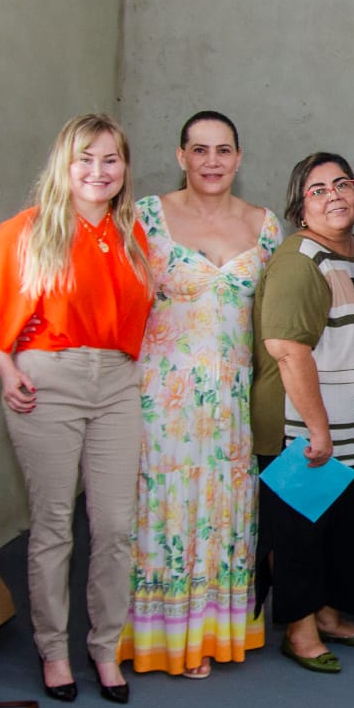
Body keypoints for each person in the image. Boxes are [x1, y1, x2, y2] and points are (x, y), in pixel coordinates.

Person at [0, 113, 152, 705]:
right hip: (49, 381)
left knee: (116, 526)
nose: (98, 172)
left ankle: (104, 648)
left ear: (124, 168)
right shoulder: (26, 230)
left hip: (119, 384)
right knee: (53, 525)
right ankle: (54, 651)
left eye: (111, 160)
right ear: (65, 166)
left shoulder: (132, 234)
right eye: (86, 159)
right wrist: (7, 374)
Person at [120, 110, 281, 679]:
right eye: (200, 150)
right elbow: (116, 300)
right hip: (163, 399)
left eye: (223, 150)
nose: (212, 161)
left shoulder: (265, 227)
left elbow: (277, 318)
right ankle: (160, 636)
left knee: (225, 512)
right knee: (162, 511)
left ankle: (214, 632)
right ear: (181, 156)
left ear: (239, 157)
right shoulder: (145, 217)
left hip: (235, 401)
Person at [251, 152, 354, 674]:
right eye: (318, 189)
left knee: (349, 533)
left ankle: (330, 615)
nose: (335, 195)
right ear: (299, 206)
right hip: (306, 429)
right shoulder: (299, 259)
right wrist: (317, 430)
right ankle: (299, 628)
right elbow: (289, 350)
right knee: (301, 535)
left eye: (344, 183)